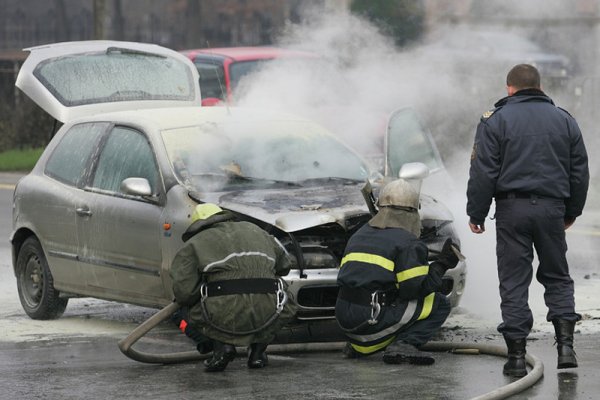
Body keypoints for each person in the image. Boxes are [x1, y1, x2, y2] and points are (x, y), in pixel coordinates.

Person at [467, 64, 589, 377]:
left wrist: (476, 213)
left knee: (514, 282)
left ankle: (517, 357)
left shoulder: (496, 121)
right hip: (552, 210)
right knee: (557, 277)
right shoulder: (565, 120)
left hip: (512, 211)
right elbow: (579, 172)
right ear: (539, 86)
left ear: (510, 89)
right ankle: (565, 348)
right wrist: (572, 211)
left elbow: (484, 172)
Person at [335, 178, 461, 365]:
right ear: (412, 212)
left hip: (346, 319)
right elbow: (414, 290)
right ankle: (404, 345)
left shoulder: (359, 234)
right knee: (439, 303)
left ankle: (357, 345)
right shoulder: (408, 243)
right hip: (370, 321)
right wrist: (442, 264)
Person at [170, 203, 297, 372]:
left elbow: (184, 293)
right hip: (269, 307)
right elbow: (284, 266)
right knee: (283, 302)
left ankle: (221, 347)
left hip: (223, 310)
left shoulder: (194, 243)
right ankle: (257, 353)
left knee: (179, 313)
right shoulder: (256, 230)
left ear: (197, 225)